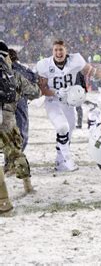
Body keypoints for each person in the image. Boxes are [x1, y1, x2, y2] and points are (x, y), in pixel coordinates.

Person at [36, 39, 101, 172]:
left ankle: (60, 161)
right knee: (62, 127)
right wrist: (55, 92)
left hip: (69, 102)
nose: (58, 52)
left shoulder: (76, 60)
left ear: (66, 50)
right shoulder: (44, 65)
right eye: (56, 50)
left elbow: (92, 72)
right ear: (52, 51)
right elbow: (41, 88)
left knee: (68, 132)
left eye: (61, 49)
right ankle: (67, 160)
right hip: (53, 101)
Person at [0, 40, 41, 216]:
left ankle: (3, 201)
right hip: (8, 121)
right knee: (17, 154)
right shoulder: (13, 75)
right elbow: (36, 92)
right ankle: (27, 185)